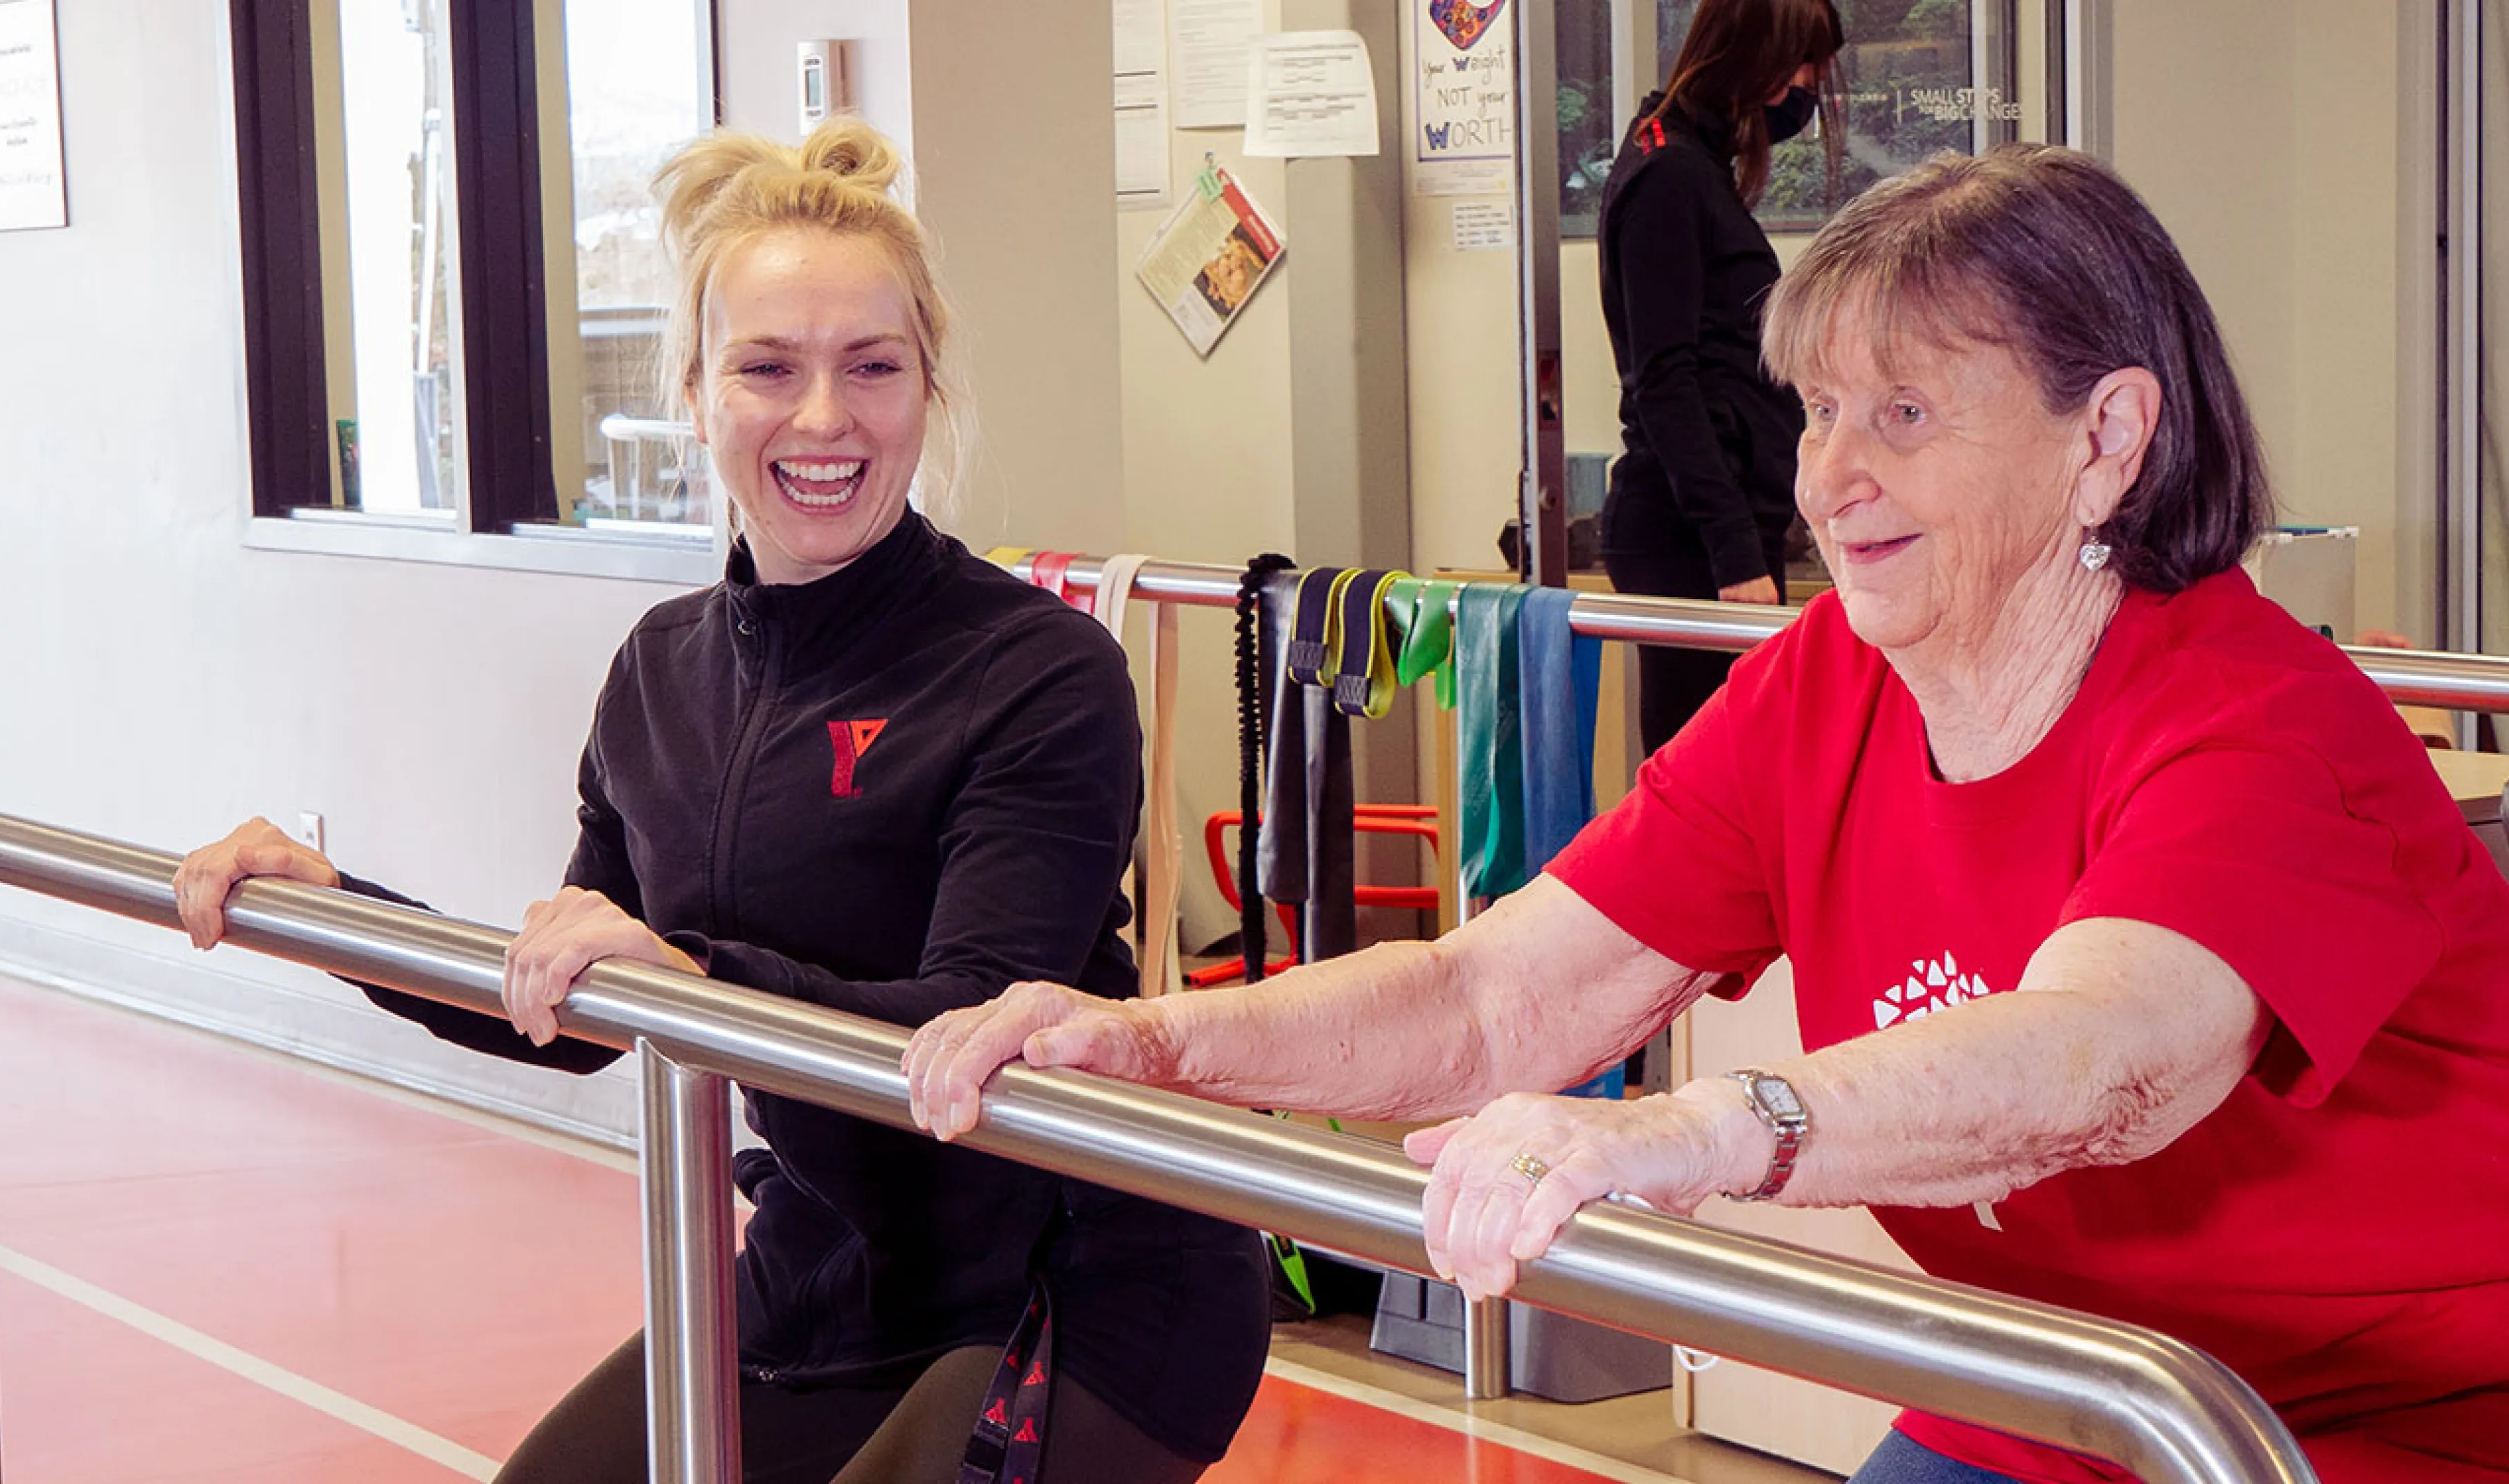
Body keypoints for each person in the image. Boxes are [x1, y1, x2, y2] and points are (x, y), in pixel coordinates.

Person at [908, 145, 2509, 1484]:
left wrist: (1692, 1130)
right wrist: (1158, 1041)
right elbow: (1500, 991)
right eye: (1817, 412)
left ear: (2106, 438)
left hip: (2387, 1416)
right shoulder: (1830, 685)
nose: (1828, 478)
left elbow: (2103, 1060)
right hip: (2070, 1386)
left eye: (1902, 416)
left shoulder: (2256, 723)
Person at [174, 120, 1269, 1484]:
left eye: (872, 367)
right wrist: (341, 919)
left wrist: (688, 975)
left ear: (928, 387)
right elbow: (575, 1012)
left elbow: (967, 1027)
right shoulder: (660, 674)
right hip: (825, 1282)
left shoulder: (1038, 671)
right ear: (694, 390)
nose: (824, 419)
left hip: (1079, 1287)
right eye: (768, 368)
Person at [1598, 0, 1842, 754]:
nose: (1808, 85)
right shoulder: (1669, 176)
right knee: (1704, 779)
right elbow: (1664, 379)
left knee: (1739, 773)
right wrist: (1733, 552)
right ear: (1754, 58)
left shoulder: (1696, 170)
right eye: (1802, 64)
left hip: (1719, 530)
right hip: (1693, 544)